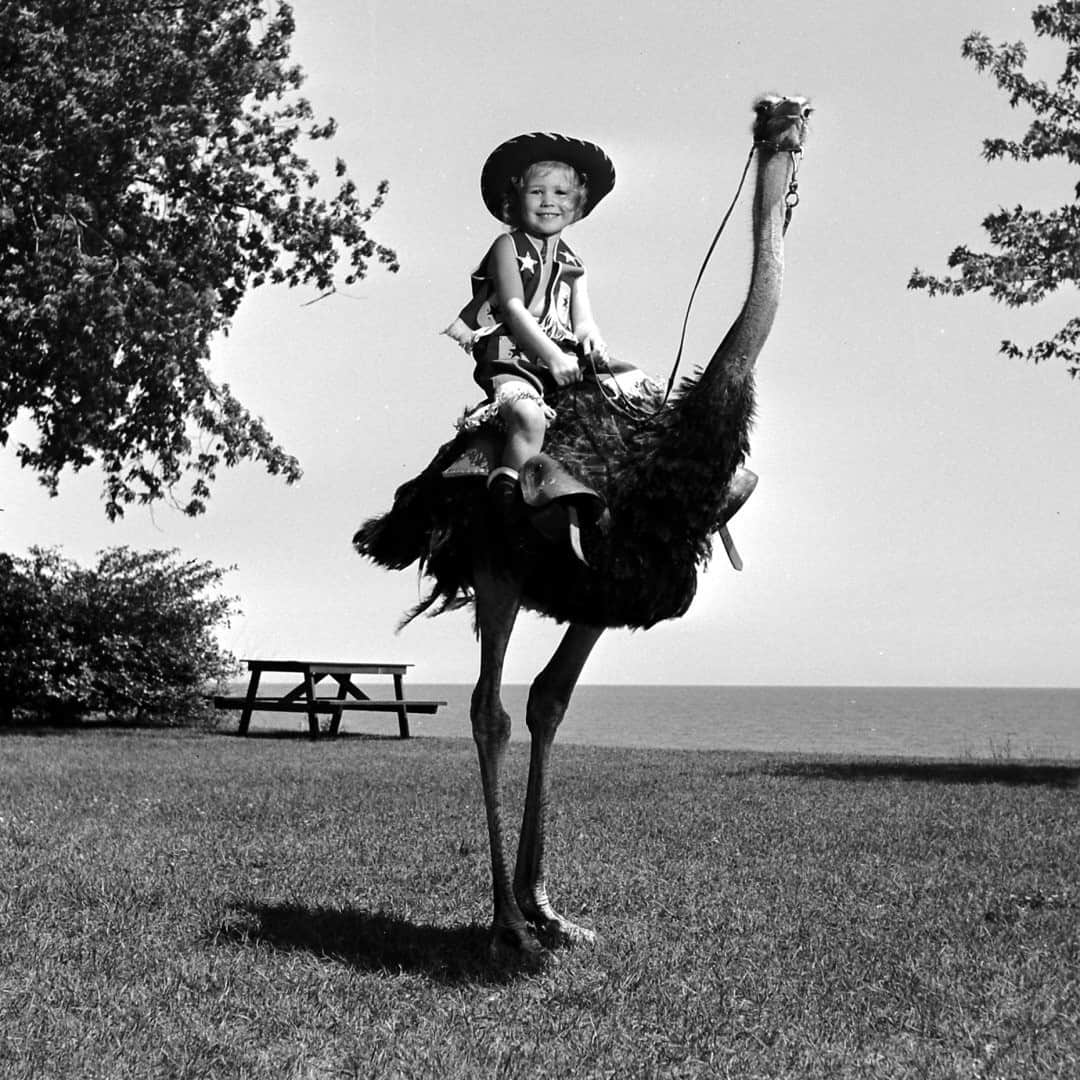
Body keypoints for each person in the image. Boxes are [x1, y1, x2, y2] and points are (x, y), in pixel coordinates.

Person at [444, 132, 617, 520]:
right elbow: (515, 309)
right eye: (537, 192)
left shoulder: (574, 261)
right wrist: (552, 356)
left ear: (577, 205)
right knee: (528, 417)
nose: (549, 202)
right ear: (514, 199)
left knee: (631, 396)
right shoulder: (508, 248)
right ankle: (508, 502)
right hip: (515, 358)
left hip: (563, 361)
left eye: (560, 193)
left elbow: (583, 320)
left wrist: (592, 341)